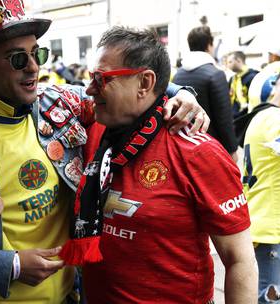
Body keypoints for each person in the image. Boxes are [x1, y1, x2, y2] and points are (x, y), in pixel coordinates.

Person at [0, 1, 208, 303]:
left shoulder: (60, 106)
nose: (33, 67)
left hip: (74, 293)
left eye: (37, 53)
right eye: (18, 58)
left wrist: (179, 92)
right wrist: (11, 266)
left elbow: (121, 91)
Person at [60, 26, 258, 303]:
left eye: (101, 79)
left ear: (144, 83)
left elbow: (240, 260)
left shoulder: (198, 152)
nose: (89, 88)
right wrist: (181, 89)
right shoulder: (93, 129)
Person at [239, 74, 280, 303]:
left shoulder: (261, 116)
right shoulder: (275, 118)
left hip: (260, 218)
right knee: (269, 297)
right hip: (271, 226)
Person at [173, 26, 238, 161]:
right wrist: (232, 149)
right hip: (211, 146)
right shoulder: (215, 74)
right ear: (209, 45)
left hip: (183, 143)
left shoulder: (179, 74)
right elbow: (224, 118)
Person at [226, 51, 259, 117]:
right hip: (234, 116)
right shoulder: (232, 79)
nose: (228, 65)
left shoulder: (253, 76)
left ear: (238, 60)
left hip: (247, 115)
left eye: (230, 62)